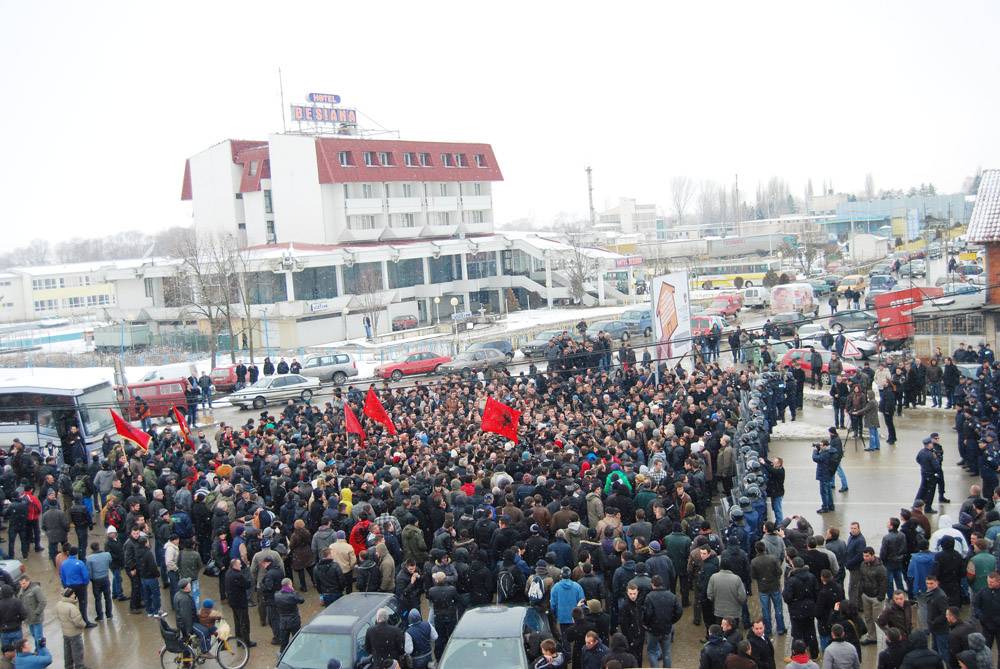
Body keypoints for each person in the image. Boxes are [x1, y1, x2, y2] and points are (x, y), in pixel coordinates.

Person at [643, 575, 682, 667]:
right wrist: (672, 620)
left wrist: (647, 624)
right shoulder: (672, 596)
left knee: (652, 651)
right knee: (666, 652)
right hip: (667, 628)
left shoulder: (649, 597)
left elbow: (647, 614)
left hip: (653, 629)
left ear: (652, 584)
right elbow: (679, 611)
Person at [58, 547, 94, 628]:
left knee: (70, 604)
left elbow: (62, 576)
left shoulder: (64, 563)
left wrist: (65, 586)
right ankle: (85, 621)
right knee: (83, 603)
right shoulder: (80, 563)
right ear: (76, 554)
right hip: (80, 586)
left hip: (69, 586)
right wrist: (85, 584)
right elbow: (85, 575)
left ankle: (72, 621)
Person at [223, 558, 254, 648]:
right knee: (244, 622)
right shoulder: (238, 575)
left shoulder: (228, 573)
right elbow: (247, 584)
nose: (241, 565)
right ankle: (246, 642)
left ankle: (239, 641)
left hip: (233, 602)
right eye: (239, 564)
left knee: (237, 622)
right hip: (240, 602)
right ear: (235, 565)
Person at [54, 588, 86, 669]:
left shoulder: (59, 604)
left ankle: (68, 666)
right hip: (74, 633)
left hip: (65, 633)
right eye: (73, 594)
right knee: (77, 651)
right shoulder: (72, 607)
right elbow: (78, 622)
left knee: (67, 652)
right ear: (70, 595)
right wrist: (84, 625)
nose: (75, 595)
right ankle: (79, 666)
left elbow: (57, 616)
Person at [273, 578, 304, 650]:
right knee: (296, 639)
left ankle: (282, 654)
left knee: (284, 641)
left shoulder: (276, 595)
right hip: (294, 620)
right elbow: (301, 600)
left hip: (283, 622)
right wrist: (293, 591)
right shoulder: (293, 595)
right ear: (289, 585)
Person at [84, 543, 112, 622]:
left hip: (96, 580)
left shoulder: (89, 558)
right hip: (105, 578)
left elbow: (89, 571)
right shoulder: (107, 554)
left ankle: (100, 616)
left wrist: (91, 579)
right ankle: (109, 614)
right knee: (108, 597)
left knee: (97, 599)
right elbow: (110, 562)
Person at [16, 577, 44, 648]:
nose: (22, 585)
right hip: (28, 619)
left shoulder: (36, 589)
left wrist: (36, 613)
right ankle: (38, 649)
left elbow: (43, 602)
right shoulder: (21, 591)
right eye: (21, 584)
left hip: (37, 618)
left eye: (24, 583)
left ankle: (41, 652)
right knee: (34, 635)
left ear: (28, 581)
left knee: (38, 637)